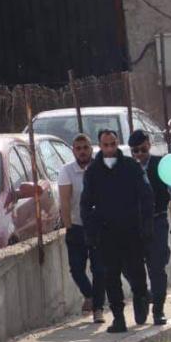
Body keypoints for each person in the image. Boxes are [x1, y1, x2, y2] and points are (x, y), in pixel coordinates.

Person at [81, 129, 153, 333]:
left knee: (137, 272)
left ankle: (141, 299)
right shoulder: (94, 171)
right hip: (106, 233)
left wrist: (146, 227)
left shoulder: (131, 167)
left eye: (113, 144)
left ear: (117, 143)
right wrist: (90, 232)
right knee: (110, 276)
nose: (110, 149)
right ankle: (119, 317)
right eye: (106, 145)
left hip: (131, 230)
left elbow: (146, 197)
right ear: (100, 146)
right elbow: (86, 204)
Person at [128, 129, 171, 325]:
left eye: (142, 149)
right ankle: (144, 296)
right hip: (133, 225)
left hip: (157, 222)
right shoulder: (127, 169)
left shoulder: (161, 166)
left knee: (156, 267)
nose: (139, 155)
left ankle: (159, 309)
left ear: (149, 145)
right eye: (135, 151)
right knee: (130, 266)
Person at [58, 134, 105, 324]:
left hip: (98, 227)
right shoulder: (67, 171)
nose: (82, 151)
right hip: (77, 226)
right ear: (73, 151)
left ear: (91, 149)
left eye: (85, 147)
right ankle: (91, 296)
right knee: (76, 269)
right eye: (78, 148)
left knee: (99, 269)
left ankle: (98, 309)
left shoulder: (99, 168)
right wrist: (69, 226)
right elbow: (65, 200)